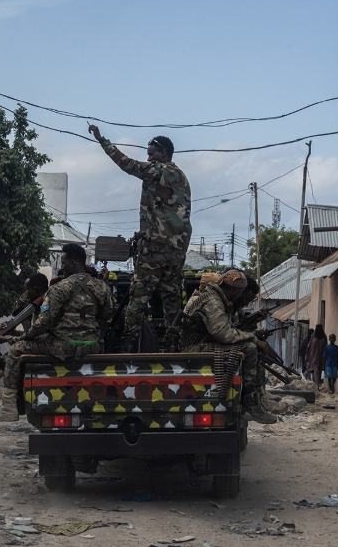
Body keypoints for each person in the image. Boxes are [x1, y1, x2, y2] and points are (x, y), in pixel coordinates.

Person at [88, 124, 191, 352]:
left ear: (163, 153)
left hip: (154, 246)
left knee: (139, 295)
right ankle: (173, 343)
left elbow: (127, 164)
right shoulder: (182, 176)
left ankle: (128, 342)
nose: (148, 158)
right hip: (177, 249)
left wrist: (102, 140)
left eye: (152, 154)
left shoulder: (157, 171)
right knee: (172, 296)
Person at [0, 243, 112, 422]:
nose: (62, 267)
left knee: (16, 350)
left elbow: (43, 323)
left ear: (73, 263)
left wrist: (20, 338)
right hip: (92, 346)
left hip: (64, 346)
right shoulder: (102, 287)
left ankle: (9, 406)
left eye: (63, 263)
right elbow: (106, 317)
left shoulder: (59, 289)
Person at [177, 269, 276, 424]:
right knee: (249, 348)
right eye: (241, 293)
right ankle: (250, 403)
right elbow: (224, 333)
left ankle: (247, 401)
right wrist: (254, 339)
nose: (242, 299)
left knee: (249, 345)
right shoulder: (213, 301)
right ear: (236, 290)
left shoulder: (218, 299)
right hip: (193, 347)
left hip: (204, 342)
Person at [307, 325, 328, 389]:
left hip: (321, 356)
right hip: (314, 355)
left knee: (319, 369)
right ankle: (316, 384)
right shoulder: (314, 335)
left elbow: (325, 346)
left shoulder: (324, 336)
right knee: (316, 369)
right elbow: (310, 345)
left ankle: (317, 383)